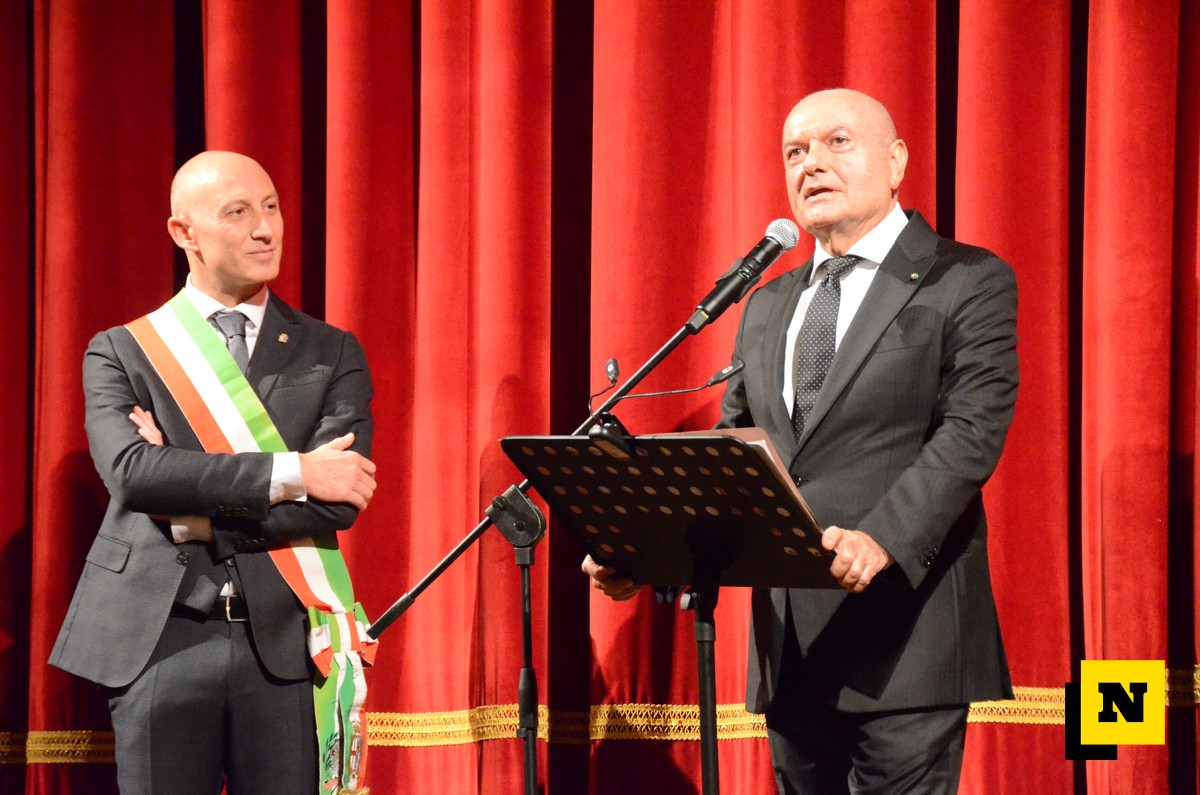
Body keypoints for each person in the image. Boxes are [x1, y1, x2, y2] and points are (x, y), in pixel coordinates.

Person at [584, 88, 1017, 794]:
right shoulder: (768, 305)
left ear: (896, 161)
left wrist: (881, 538)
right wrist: (647, 553)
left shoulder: (964, 279)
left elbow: (971, 431)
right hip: (791, 650)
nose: (811, 163)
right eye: (794, 151)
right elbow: (733, 456)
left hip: (906, 638)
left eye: (837, 142)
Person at [50, 151, 378, 794]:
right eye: (238, 212)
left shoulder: (330, 350)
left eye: (271, 207)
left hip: (285, 643)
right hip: (157, 637)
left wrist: (191, 512)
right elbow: (135, 475)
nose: (265, 229)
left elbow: (338, 497)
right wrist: (296, 470)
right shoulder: (123, 349)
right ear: (184, 232)